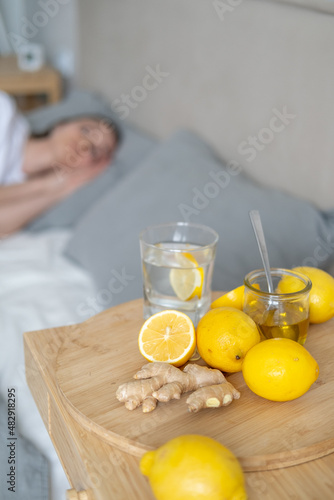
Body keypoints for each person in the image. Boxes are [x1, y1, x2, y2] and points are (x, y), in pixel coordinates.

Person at [0, 91, 120, 236]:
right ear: (61, 124)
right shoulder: (5, 115)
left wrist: (60, 188)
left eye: (95, 151)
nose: (86, 144)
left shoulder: (19, 186)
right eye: (86, 130)